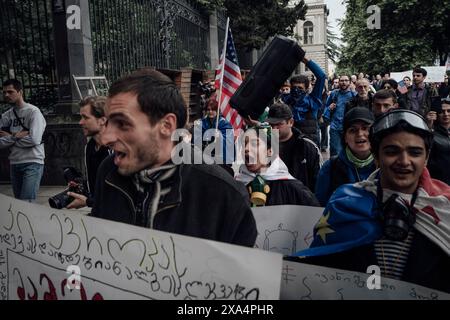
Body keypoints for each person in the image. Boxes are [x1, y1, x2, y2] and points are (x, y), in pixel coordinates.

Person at [91, 69, 257, 247]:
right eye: (107, 122)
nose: (106, 138)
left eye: (122, 124)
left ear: (166, 125)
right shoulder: (108, 172)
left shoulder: (226, 196)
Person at [297, 109, 450, 293]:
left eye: (415, 152)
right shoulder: (344, 205)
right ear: (377, 157)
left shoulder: (444, 207)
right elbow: (318, 271)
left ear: (426, 158)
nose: (404, 161)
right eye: (392, 151)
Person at [235, 125, 319, 207]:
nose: (246, 148)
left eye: (254, 144)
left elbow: (315, 214)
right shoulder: (235, 185)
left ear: (270, 151)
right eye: (244, 144)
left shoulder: (292, 188)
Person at [315, 107, 376, 206]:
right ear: (345, 138)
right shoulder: (330, 167)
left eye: (365, 128)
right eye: (353, 130)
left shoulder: (385, 166)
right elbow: (320, 206)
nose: (360, 134)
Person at [0, 79, 46, 202]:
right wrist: (16, 136)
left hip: (33, 161)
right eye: (4, 92)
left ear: (20, 92)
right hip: (14, 162)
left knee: (27, 203)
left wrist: (9, 137)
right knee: (19, 204)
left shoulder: (33, 112)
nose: (6, 95)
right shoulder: (6, 116)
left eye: (10, 92)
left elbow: (35, 139)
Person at [66, 96, 111, 209]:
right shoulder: (89, 147)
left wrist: (87, 202)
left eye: (85, 117)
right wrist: (81, 187)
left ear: (102, 120)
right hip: (98, 214)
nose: (80, 122)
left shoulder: (116, 149)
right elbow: (96, 184)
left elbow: (118, 192)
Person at [265, 102, 321, 192]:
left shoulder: (307, 147)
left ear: (291, 122)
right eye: (271, 125)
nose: (274, 128)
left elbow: (318, 182)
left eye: (279, 124)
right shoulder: (264, 147)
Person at [281, 57, 326, 146]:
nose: (297, 91)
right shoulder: (286, 100)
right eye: (294, 88)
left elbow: (321, 76)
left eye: (300, 88)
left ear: (306, 89)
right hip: (291, 142)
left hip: (310, 143)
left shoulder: (312, 100)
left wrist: (307, 61)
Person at [193, 93, 234, 167]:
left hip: (220, 158)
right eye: (208, 110)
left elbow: (229, 142)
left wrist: (220, 136)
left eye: (213, 110)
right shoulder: (202, 122)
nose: (210, 112)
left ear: (217, 111)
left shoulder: (224, 124)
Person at [323, 75, 357, 156]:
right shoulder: (334, 94)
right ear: (339, 82)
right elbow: (326, 107)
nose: (344, 82)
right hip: (335, 127)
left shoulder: (354, 95)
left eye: (346, 80)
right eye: (342, 80)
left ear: (349, 82)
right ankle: (334, 167)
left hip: (349, 127)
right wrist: (329, 108)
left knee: (349, 152)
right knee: (335, 152)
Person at [427, 98, 450, 185]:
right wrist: (428, 127)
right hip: (439, 179)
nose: (446, 114)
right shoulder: (432, 132)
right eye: (442, 111)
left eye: (449, 111)